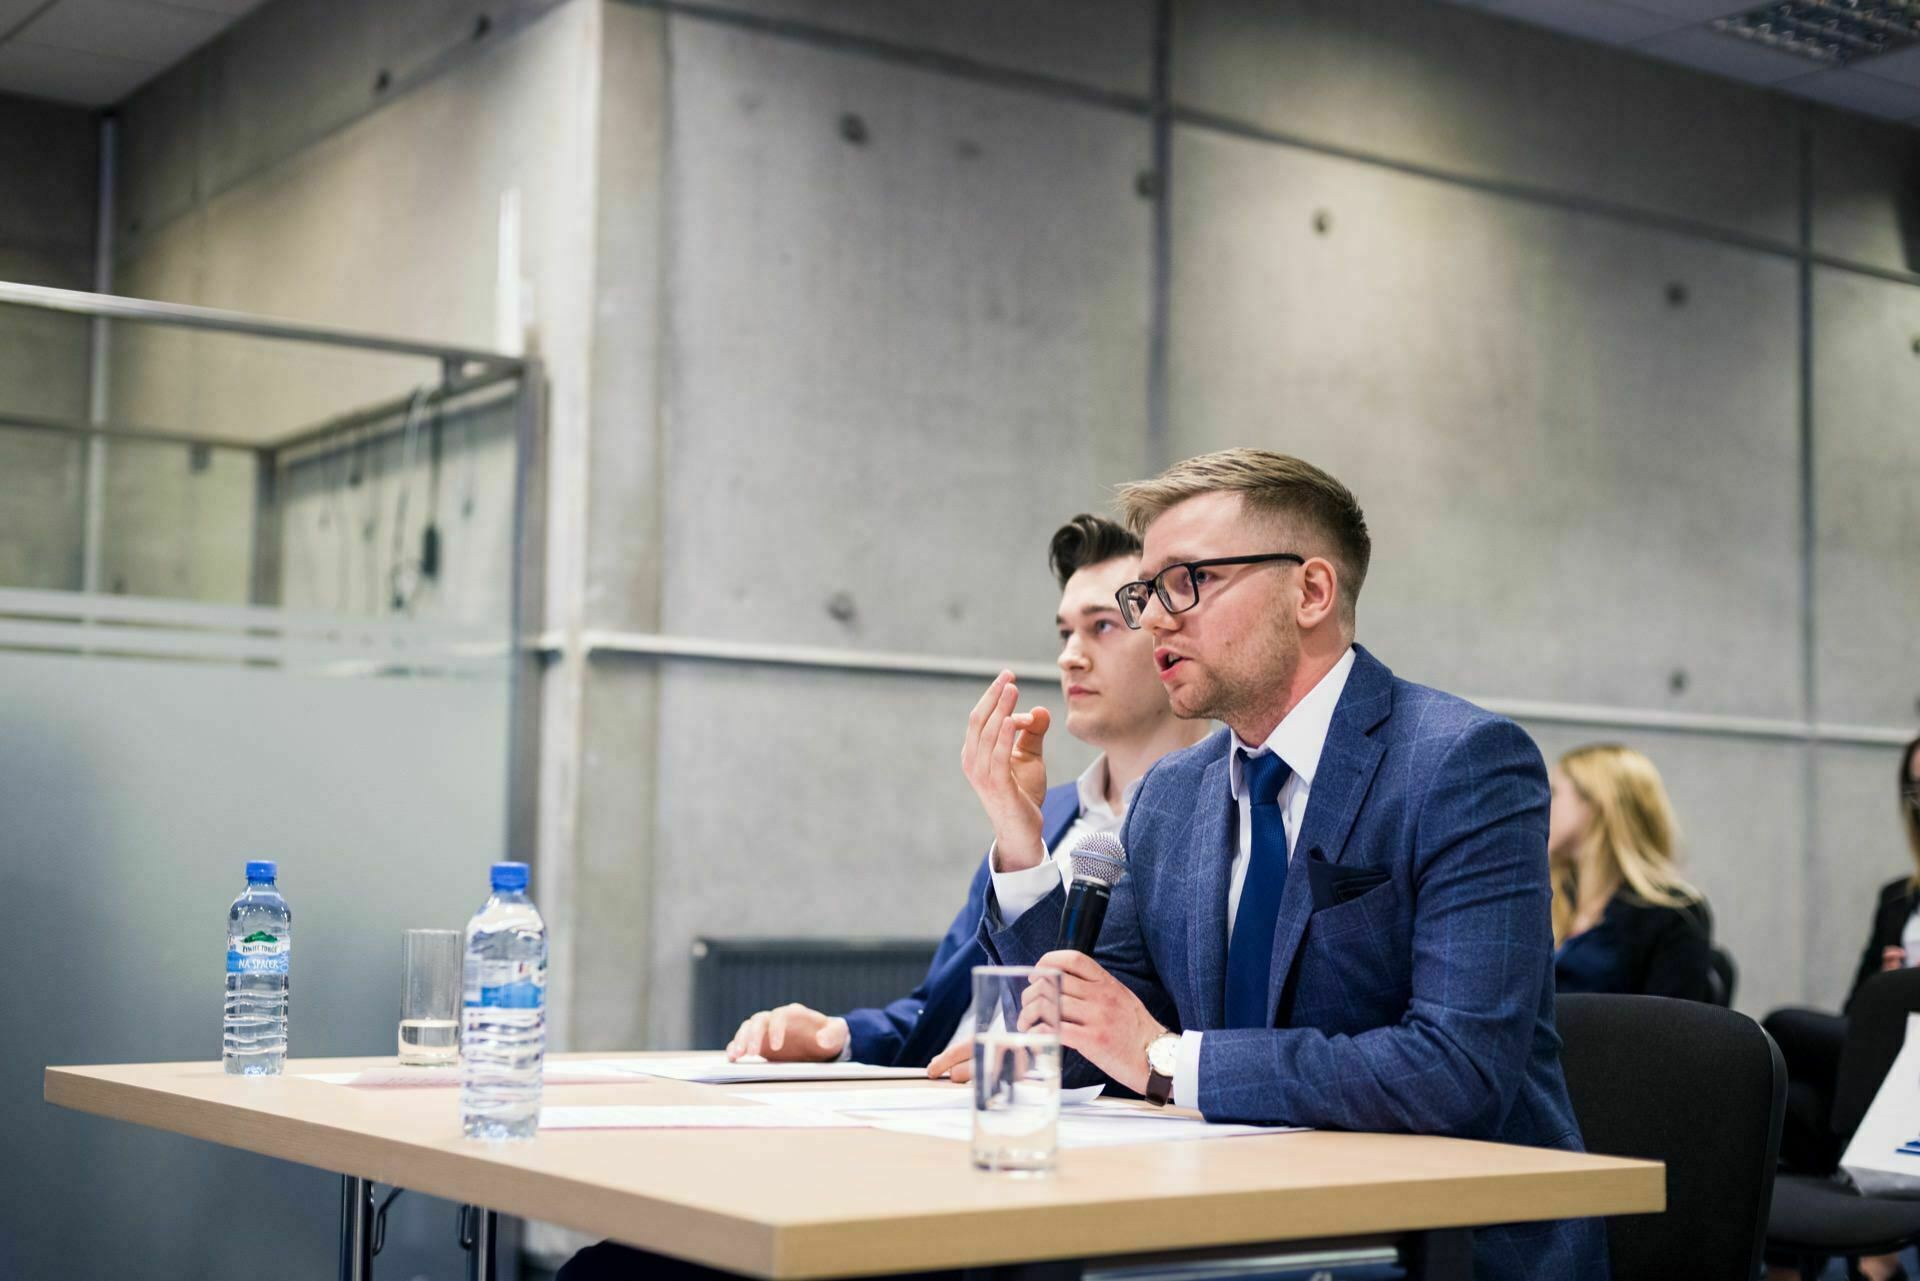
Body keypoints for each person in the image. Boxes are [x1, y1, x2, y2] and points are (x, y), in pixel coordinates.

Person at [961, 449, 1605, 1281]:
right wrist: (1020, 840)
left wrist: (1168, 1061)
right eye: (1147, 591)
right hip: (1230, 1220)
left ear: (1310, 591)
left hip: (1438, 1243)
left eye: (1187, 580)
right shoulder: (1175, 793)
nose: (1157, 617)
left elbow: (1457, 1068)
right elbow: (1087, 1038)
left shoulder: (1460, 764)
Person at [720, 513, 1207, 1071]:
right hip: (947, 1106)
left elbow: (1162, 1037)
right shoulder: (1047, 812)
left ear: (1169, 637)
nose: (1069, 654)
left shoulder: (1219, 819)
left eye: (1101, 626)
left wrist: (1026, 1061)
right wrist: (840, 1035)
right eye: (1064, 632)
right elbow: (944, 1007)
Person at [1762, 731, 1920, 1281]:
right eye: (1916, 789)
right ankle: (1869, 1262)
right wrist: (1891, 981)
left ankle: (1864, 1255)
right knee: (1794, 1101)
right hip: (1885, 1054)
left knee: (1782, 1029)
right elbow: (1858, 1006)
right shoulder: (1898, 897)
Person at [1548, 743, 1715, 1001]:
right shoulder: (1549, 898)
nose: (1542, 804)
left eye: (1555, 792)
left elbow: (1673, 1032)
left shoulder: (1673, 912)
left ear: (1598, 803)